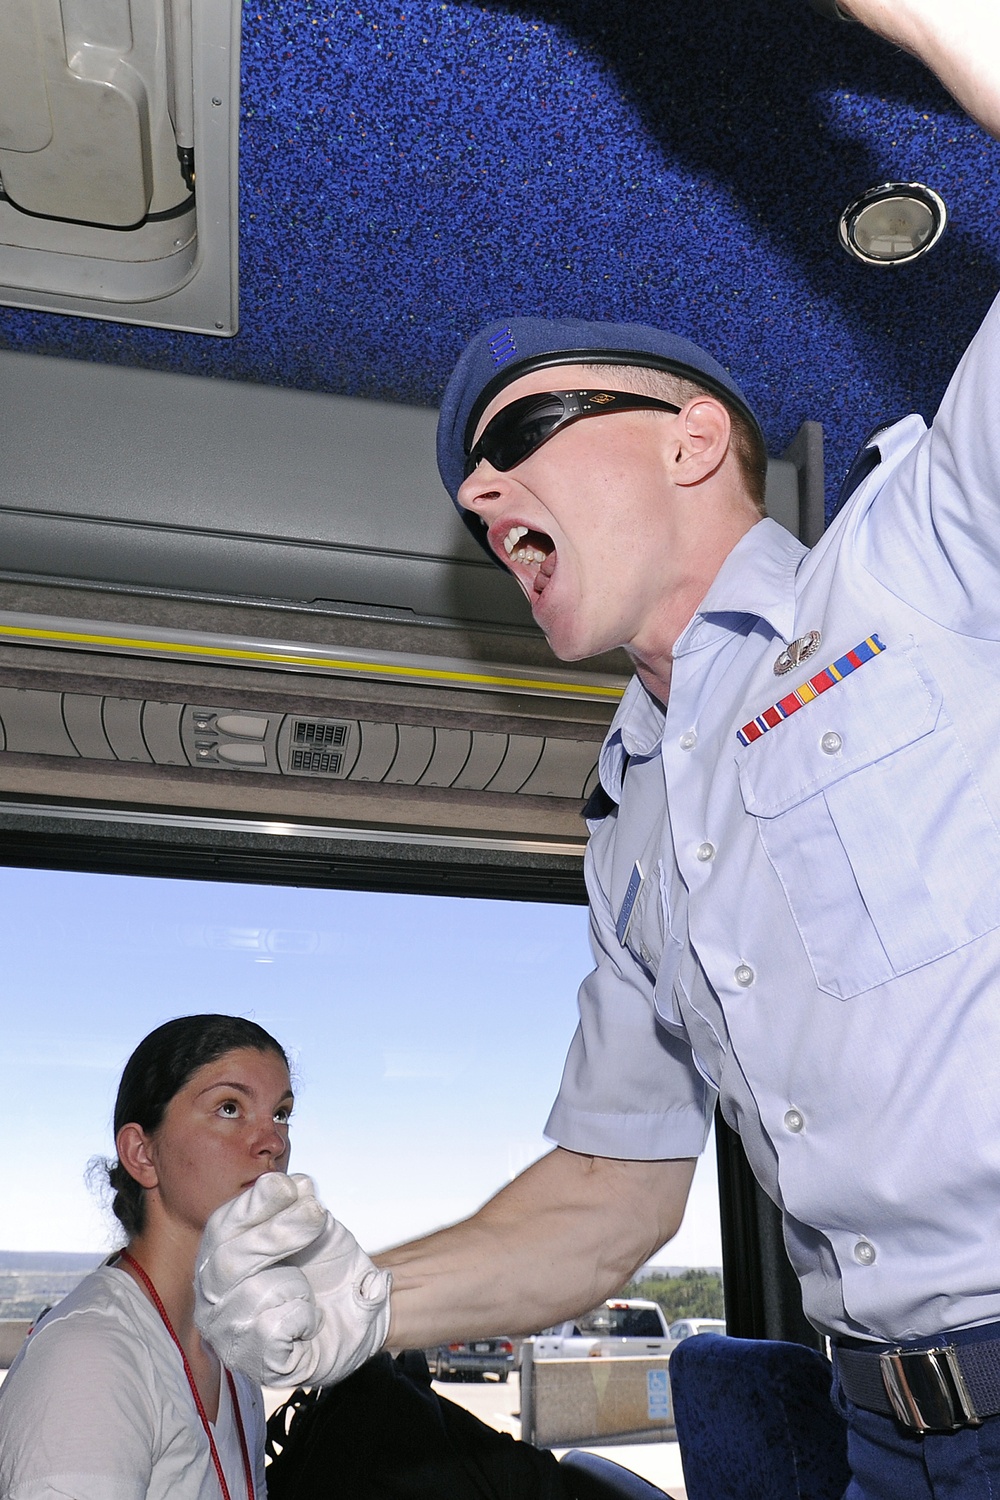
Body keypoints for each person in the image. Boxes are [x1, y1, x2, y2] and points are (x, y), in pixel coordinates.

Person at [193, 4, 1000, 1497]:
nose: (484, 495)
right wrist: (354, 1301)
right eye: (470, 495)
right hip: (885, 1438)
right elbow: (610, 1196)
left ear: (696, 438)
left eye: (525, 434)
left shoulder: (932, 564)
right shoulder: (629, 829)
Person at [0, 1014, 293, 1500]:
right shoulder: (90, 1360)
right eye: (229, 1107)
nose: (274, 1143)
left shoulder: (229, 1351)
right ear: (142, 1154)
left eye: (280, 1113)